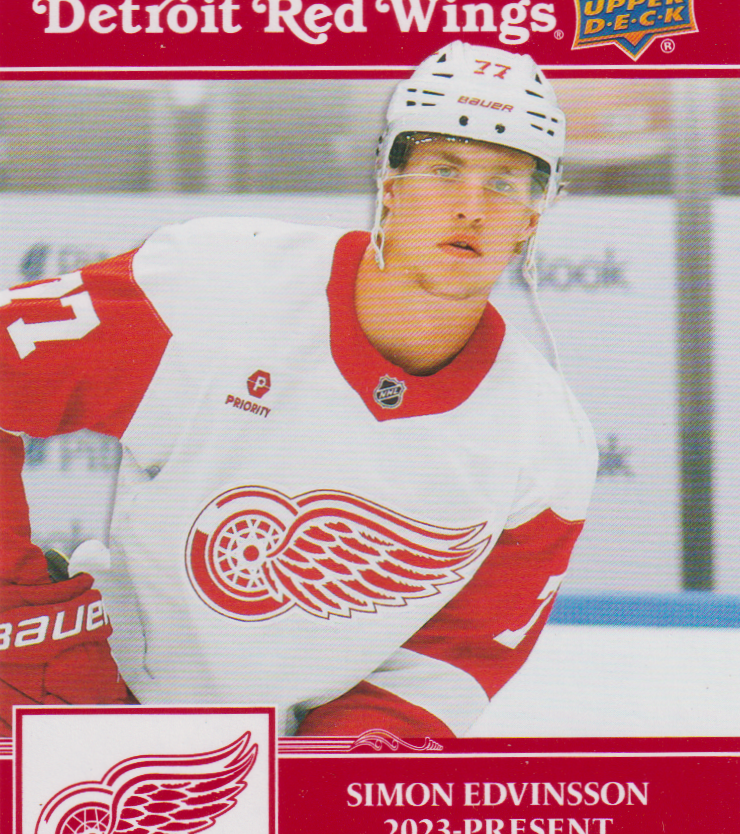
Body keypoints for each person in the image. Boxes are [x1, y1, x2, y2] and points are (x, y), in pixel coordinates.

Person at [0, 41, 597, 738]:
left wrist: (327, 776)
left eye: (504, 184)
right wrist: (15, 609)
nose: (471, 208)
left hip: (273, 751)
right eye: (444, 169)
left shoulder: (548, 446)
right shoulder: (216, 281)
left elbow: (451, 662)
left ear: (533, 217)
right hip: (84, 687)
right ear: (391, 181)